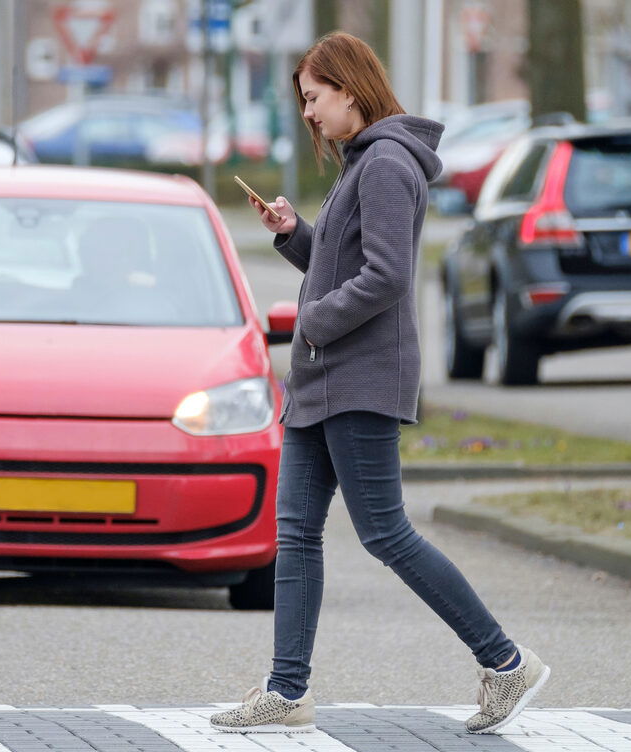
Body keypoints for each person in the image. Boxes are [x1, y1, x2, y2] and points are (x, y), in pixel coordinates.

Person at [208, 32, 549, 736]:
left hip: (357, 379)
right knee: (296, 533)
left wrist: (313, 324)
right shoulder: (362, 162)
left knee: (385, 533)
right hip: (322, 380)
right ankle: (287, 689)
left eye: (314, 98)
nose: (308, 114)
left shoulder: (387, 163)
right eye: (303, 101)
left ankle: (507, 662)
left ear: (349, 90)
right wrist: (294, 233)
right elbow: (344, 267)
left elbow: (389, 276)